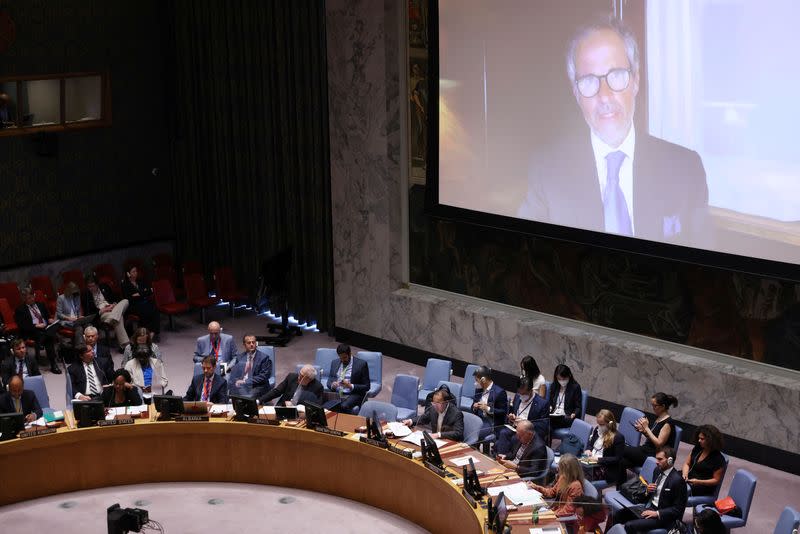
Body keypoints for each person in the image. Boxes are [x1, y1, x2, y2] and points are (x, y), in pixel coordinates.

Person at [517, 18, 710, 246]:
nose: (605, 96)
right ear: (576, 94)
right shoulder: (547, 172)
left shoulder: (685, 168)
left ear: (636, 80)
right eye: (589, 80)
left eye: (616, 75)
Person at [614, 446, 687, 533]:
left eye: (660, 459)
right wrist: (647, 491)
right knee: (616, 515)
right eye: (656, 459)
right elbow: (650, 496)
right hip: (649, 508)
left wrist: (657, 513)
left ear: (670, 461)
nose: (656, 462)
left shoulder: (678, 481)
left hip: (663, 517)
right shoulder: (657, 471)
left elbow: (678, 509)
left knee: (630, 525)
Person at [619, 392, 678, 482]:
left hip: (653, 454)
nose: (653, 408)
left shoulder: (668, 423)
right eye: (652, 405)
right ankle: (621, 488)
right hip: (646, 450)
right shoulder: (659, 418)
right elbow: (652, 438)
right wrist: (644, 431)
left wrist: (646, 428)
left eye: (655, 405)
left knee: (620, 447)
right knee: (621, 462)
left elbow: (659, 444)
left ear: (662, 406)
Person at [495, 376, 549, 456]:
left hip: (527, 432)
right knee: (503, 433)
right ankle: (501, 458)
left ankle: (508, 459)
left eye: (524, 394)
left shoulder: (542, 403)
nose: (521, 396)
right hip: (514, 427)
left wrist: (525, 423)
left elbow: (543, 426)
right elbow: (512, 412)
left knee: (514, 439)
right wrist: (511, 417)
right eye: (520, 393)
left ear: (531, 390)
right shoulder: (518, 396)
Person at [14, 287, 61, 374]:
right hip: (32, 331)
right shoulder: (20, 309)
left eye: (32, 297)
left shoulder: (41, 304)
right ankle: (53, 364)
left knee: (52, 330)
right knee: (49, 338)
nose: (32, 299)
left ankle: (41, 342)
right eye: (29, 298)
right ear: (24, 298)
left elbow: (47, 316)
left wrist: (50, 319)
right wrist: (36, 325)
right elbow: (22, 326)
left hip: (45, 328)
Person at [82, 274, 129, 350]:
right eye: (89, 286)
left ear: (97, 284)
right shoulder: (86, 294)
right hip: (104, 314)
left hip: (114, 309)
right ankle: (126, 346)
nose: (91, 288)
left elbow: (115, 298)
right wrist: (102, 310)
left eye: (93, 286)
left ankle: (113, 318)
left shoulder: (105, 287)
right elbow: (88, 313)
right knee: (119, 318)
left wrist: (113, 304)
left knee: (126, 301)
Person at [583, 408, 625, 485]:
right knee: (574, 467)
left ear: (609, 423)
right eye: (598, 423)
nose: (599, 426)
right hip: (591, 460)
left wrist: (598, 459)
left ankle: (589, 495)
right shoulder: (597, 429)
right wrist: (588, 450)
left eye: (601, 424)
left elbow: (617, 458)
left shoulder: (618, 437)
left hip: (607, 468)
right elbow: (591, 444)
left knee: (583, 476)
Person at [682, 424, 725, 497]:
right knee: (671, 478)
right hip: (689, 478)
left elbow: (716, 480)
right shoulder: (697, 448)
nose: (699, 441)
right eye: (699, 438)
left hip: (702, 486)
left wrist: (698, 482)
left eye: (702, 439)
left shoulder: (718, 458)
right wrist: (685, 474)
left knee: (677, 489)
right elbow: (687, 463)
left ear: (710, 440)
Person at [326, 344, 370, 413]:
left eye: (345, 357)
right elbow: (329, 380)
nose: (342, 360)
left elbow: (367, 386)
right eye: (340, 358)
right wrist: (332, 384)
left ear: (350, 354)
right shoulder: (335, 362)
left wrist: (350, 386)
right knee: (326, 405)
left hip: (353, 393)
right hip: (338, 392)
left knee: (343, 406)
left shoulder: (361, 364)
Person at [471, 365, 509, 441]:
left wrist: (487, 408)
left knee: (473, 433)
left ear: (483, 380)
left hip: (491, 422)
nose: (475, 383)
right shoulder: (478, 390)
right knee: (464, 427)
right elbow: (473, 406)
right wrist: (474, 407)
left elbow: (503, 412)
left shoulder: (500, 392)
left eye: (476, 380)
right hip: (478, 419)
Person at [121, 266, 160, 339]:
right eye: (133, 271)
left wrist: (138, 294)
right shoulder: (125, 284)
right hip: (133, 306)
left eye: (136, 271)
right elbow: (129, 298)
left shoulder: (140, 281)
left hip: (143, 302)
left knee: (155, 310)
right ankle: (144, 334)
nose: (136, 273)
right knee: (146, 312)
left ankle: (152, 334)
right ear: (128, 274)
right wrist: (143, 293)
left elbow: (150, 291)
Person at [227, 334, 272, 398]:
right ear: (244, 344)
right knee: (229, 392)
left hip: (257, 385)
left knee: (247, 397)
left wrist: (245, 382)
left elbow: (264, 376)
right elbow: (235, 374)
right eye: (249, 343)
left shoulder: (264, 358)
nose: (251, 344)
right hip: (242, 385)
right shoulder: (239, 357)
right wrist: (236, 382)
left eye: (253, 342)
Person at [258, 364, 323, 406]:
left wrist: (295, 405)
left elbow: (316, 406)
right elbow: (277, 391)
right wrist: (259, 400)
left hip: (300, 415)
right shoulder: (291, 377)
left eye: (302, 376)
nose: (298, 377)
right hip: (283, 408)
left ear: (309, 379)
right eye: (299, 374)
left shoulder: (317, 387)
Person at [548, 364, 582, 431]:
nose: (561, 381)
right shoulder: (554, 385)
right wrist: (550, 406)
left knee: (547, 423)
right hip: (554, 415)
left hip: (567, 416)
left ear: (569, 375)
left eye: (564, 379)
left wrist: (574, 414)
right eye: (559, 379)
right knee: (545, 421)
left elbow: (578, 407)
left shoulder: (575, 387)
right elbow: (550, 401)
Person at [56, 281, 86, 346]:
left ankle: (89, 344)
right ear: (68, 291)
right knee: (79, 328)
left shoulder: (77, 296)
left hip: (76, 319)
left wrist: (80, 316)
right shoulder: (61, 298)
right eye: (72, 292)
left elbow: (78, 310)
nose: (74, 294)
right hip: (66, 321)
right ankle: (80, 346)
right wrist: (69, 318)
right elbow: (59, 314)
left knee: (88, 325)